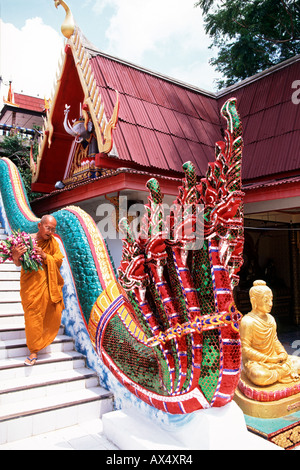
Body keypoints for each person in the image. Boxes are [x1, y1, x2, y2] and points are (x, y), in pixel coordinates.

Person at [12, 215, 64, 366]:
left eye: (53, 229)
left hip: (46, 283)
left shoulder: (52, 243)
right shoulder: (26, 240)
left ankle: (42, 340)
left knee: (52, 312)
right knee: (32, 314)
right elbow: (17, 263)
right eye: (48, 228)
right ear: (39, 226)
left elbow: (58, 260)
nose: (51, 232)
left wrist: (44, 255)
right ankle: (33, 350)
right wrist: (16, 255)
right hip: (30, 285)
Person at [240, 280, 300, 386]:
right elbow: (246, 349)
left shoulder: (271, 319)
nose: (270, 304)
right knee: (259, 376)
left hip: (274, 358)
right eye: (266, 300)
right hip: (257, 363)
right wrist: (269, 359)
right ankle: (285, 372)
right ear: (254, 301)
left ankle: (280, 372)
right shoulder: (247, 321)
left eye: (271, 300)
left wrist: (282, 353)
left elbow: (274, 340)